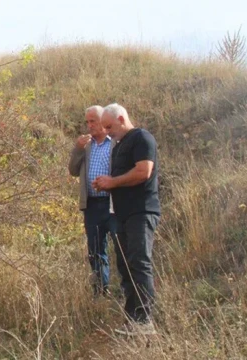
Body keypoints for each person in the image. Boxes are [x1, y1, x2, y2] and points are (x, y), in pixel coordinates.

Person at [93, 103, 160, 336]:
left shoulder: (142, 138)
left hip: (141, 212)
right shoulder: (117, 146)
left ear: (122, 118)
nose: (107, 131)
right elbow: (120, 178)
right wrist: (106, 182)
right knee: (126, 267)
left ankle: (144, 322)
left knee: (140, 263)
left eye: (109, 126)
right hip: (120, 215)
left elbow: (144, 172)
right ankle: (132, 321)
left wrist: (113, 182)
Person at [68, 105, 117, 296]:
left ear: (103, 121)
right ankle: (100, 292)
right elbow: (72, 170)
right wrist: (77, 149)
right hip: (92, 205)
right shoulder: (85, 146)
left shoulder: (115, 143)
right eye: (87, 122)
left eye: (93, 121)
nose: (89, 126)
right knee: (95, 251)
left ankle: (126, 289)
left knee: (121, 246)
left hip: (114, 204)